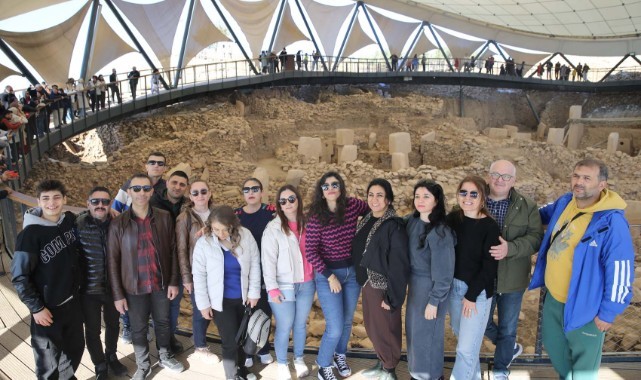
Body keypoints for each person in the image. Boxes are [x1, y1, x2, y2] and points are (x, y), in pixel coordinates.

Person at [529, 158, 635, 380]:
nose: (579, 182)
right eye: (576, 176)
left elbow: (621, 269)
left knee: (584, 366)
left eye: (587, 178)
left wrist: (609, 311)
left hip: (586, 305)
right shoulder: (566, 202)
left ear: (602, 185)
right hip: (554, 298)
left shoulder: (611, 222)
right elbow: (537, 214)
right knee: (556, 350)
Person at [107, 173, 184, 379]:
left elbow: (173, 251)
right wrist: (117, 294)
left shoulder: (164, 217)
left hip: (160, 283)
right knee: (138, 328)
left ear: (152, 191)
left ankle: (165, 355)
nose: (141, 193)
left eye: (146, 189)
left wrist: (173, 281)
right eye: (137, 189)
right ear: (129, 192)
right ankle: (143, 365)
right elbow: (112, 261)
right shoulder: (118, 223)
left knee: (163, 321)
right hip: (133, 286)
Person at [11, 180, 85, 380]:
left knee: (76, 348)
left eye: (56, 197)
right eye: (46, 199)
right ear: (38, 201)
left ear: (64, 199)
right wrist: (36, 308)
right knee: (48, 362)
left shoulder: (68, 220)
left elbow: (89, 217)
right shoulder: (29, 235)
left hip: (73, 302)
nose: (51, 203)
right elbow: (19, 276)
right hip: (48, 309)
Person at [305, 171, 369, 380]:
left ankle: (339, 355)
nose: (330, 188)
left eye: (335, 184)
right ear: (321, 192)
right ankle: (323, 365)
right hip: (328, 276)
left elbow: (374, 208)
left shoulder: (352, 206)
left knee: (348, 321)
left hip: (352, 274)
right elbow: (310, 252)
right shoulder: (316, 216)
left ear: (340, 187)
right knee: (334, 326)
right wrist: (330, 276)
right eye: (326, 186)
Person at [483, 160, 543, 380]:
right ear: (488, 176)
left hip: (513, 279)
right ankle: (509, 349)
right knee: (481, 324)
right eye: (496, 174)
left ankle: (500, 370)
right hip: (483, 278)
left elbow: (536, 238)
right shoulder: (476, 200)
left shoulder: (527, 206)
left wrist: (511, 248)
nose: (500, 180)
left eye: (506, 176)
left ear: (514, 181)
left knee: (508, 328)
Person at [192, 205, 261, 380]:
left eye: (225, 229)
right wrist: (204, 304)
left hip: (244, 299)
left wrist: (254, 292)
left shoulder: (245, 236)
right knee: (229, 341)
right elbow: (198, 276)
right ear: (210, 226)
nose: (221, 234)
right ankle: (232, 376)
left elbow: (254, 264)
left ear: (233, 225)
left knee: (243, 338)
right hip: (220, 302)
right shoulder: (204, 243)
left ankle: (242, 370)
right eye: (216, 229)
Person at [353, 178, 409, 380]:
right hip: (367, 282)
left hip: (382, 286)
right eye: (371, 194)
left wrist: (392, 296)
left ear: (388, 199)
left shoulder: (393, 225)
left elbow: (399, 264)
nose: (374, 199)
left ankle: (389, 369)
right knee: (373, 327)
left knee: (386, 327)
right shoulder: (368, 219)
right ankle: (382, 361)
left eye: (379, 195)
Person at [447, 175, 500, 380]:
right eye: (463, 192)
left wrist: (470, 295)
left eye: (473, 193)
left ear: (482, 198)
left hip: (476, 294)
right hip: (454, 289)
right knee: (465, 345)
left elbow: (489, 267)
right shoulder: (453, 219)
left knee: (465, 350)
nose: (467, 197)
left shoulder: (489, 226)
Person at [261, 185, 315, 380]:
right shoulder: (273, 228)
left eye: (291, 199)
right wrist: (272, 288)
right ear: (279, 205)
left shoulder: (309, 224)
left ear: (298, 200)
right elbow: (268, 261)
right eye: (283, 201)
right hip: (283, 286)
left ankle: (299, 359)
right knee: (284, 325)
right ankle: (282, 362)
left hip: (307, 283)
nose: (288, 204)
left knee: (300, 325)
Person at [405, 180, 455, 380]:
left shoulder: (440, 232)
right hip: (415, 286)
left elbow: (444, 273)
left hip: (431, 288)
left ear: (436, 201)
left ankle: (431, 376)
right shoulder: (412, 221)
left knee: (429, 337)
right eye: (417, 196)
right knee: (415, 333)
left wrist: (434, 301)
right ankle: (417, 374)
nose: (420, 200)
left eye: (426, 196)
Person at [76, 186, 128, 379]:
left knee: (114, 324)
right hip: (88, 289)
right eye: (95, 201)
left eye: (105, 202)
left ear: (110, 204)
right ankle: (99, 364)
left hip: (113, 287)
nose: (100, 205)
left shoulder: (118, 223)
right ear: (87, 203)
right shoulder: (78, 224)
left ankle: (111, 356)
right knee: (92, 329)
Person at [176, 180, 220, 364]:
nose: (200, 196)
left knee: (215, 308)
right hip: (197, 272)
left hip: (218, 271)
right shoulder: (184, 218)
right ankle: (200, 348)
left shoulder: (218, 214)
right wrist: (186, 277)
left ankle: (199, 339)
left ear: (210, 193)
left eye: (203, 191)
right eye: (195, 193)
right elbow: (182, 249)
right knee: (201, 309)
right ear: (190, 196)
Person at [234, 178, 276, 367]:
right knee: (246, 312)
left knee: (264, 311)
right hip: (244, 270)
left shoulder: (271, 212)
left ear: (261, 191)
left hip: (267, 269)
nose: (250, 192)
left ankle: (264, 348)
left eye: (255, 189)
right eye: (247, 189)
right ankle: (248, 351)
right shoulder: (236, 215)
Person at [151, 170, 190, 354]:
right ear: (167, 183)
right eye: (174, 182)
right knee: (160, 305)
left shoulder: (187, 206)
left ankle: (169, 337)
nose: (177, 187)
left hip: (179, 261)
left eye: (182, 184)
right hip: (157, 262)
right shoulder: (153, 202)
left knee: (174, 304)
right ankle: (161, 344)